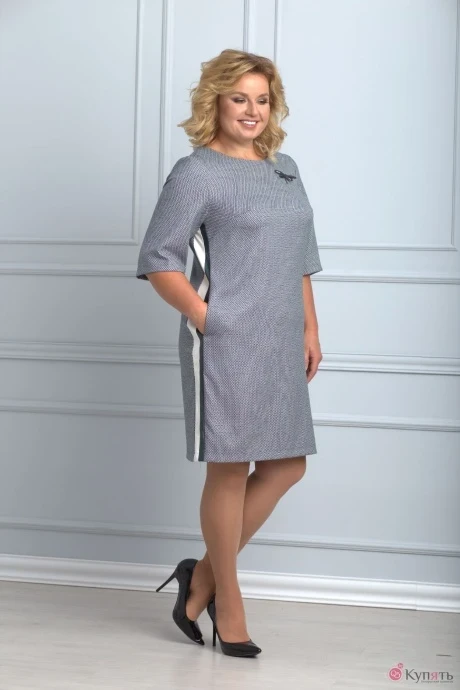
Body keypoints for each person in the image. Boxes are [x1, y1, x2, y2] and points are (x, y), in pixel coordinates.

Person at [137, 48, 322, 658]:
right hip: (226, 342)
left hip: (282, 338)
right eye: (240, 98)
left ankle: (202, 578)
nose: (252, 110)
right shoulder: (197, 172)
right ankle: (230, 604)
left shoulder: (285, 168)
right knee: (231, 468)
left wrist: (310, 329)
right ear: (214, 101)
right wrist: (208, 318)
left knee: (286, 465)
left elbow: (301, 258)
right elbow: (159, 258)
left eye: (262, 100)